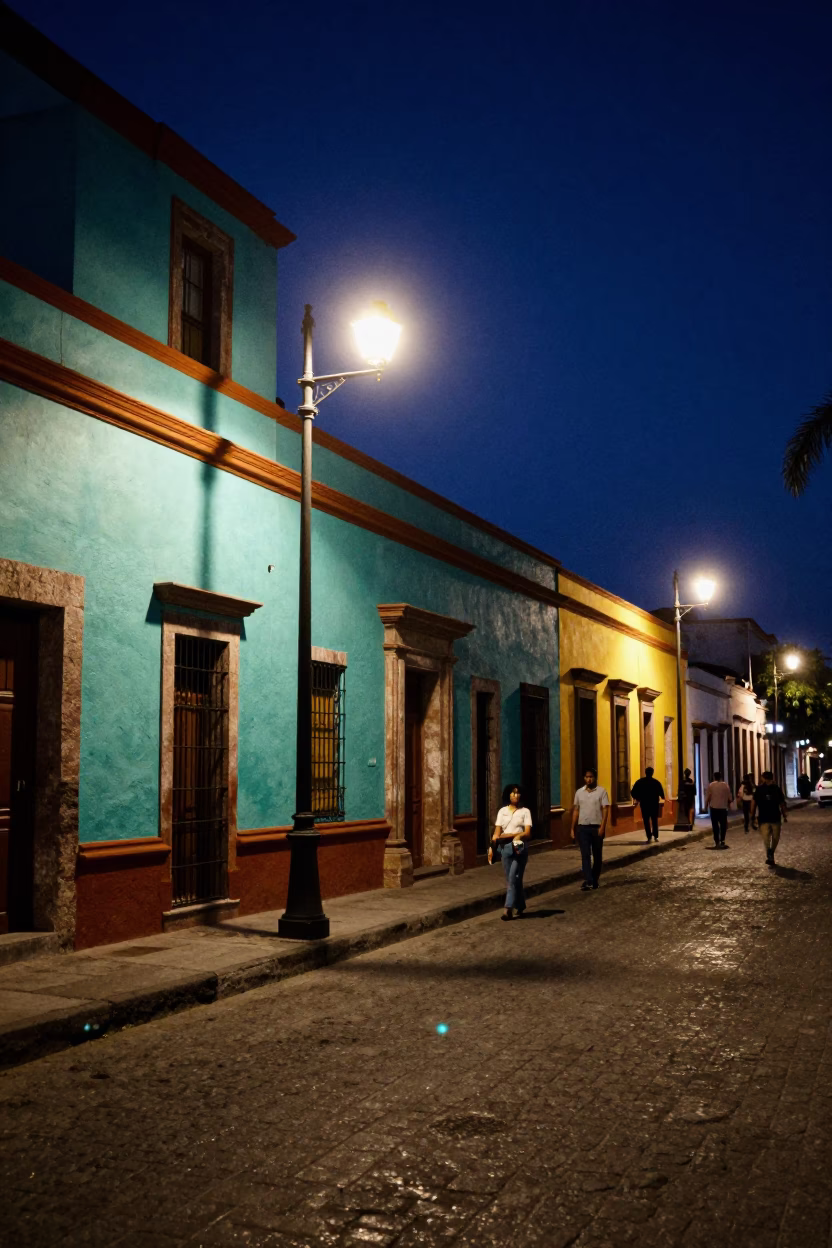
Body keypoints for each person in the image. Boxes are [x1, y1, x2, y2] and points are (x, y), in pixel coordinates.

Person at [490, 783, 532, 919]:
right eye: (513, 793)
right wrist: (492, 846)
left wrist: (515, 836)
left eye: (518, 793)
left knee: (512, 878)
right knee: (513, 879)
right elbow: (497, 833)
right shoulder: (502, 811)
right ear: (508, 795)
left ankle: (507, 909)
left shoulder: (525, 811)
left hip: (520, 847)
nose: (516, 795)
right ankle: (520, 906)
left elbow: (527, 833)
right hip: (505, 848)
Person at [571, 768, 610, 891]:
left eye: (591, 777)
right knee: (585, 855)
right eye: (587, 777)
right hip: (583, 828)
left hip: (596, 828)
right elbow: (576, 810)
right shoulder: (579, 792)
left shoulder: (602, 791)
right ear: (584, 778)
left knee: (597, 856)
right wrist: (572, 828)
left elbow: (605, 809)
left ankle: (594, 879)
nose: (589, 779)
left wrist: (603, 827)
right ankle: (589, 880)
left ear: (595, 778)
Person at [751, 770, 788, 867]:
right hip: (775, 816)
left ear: (763, 778)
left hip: (763, 817)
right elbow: (782, 803)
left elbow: (753, 803)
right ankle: (771, 853)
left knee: (766, 838)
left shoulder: (758, 790)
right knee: (775, 838)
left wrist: (752, 816)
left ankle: (769, 853)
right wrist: (784, 815)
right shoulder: (777, 789)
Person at [631, 766, 665, 842]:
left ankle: (649, 837)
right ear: (652, 773)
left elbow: (633, 792)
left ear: (645, 773)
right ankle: (655, 836)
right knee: (654, 820)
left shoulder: (640, 782)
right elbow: (662, 795)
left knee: (646, 821)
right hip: (654, 804)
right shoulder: (656, 782)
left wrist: (638, 798)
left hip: (644, 804)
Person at [704, 770, 733, 849]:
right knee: (723, 825)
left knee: (715, 825)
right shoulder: (725, 785)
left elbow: (708, 797)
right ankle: (722, 840)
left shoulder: (711, 785)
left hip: (713, 808)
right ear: (720, 777)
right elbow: (729, 798)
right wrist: (730, 806)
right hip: (723, 808)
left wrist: (705, 806)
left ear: (714, 777)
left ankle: (717, 841)